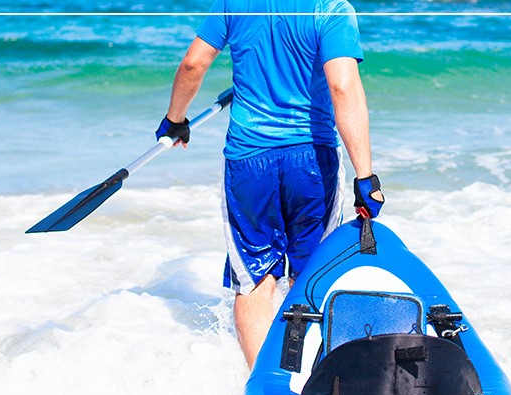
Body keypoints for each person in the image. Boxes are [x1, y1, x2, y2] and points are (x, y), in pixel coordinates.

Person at [155, 0, 385, 370]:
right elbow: (342, 87)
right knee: (310, 274)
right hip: (312, 161)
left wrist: (175, 118)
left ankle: (263, 392)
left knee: (254, 279)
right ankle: (308, 381)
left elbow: (193, 64)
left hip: (248, 162)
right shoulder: (332, 8)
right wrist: (365, 176)